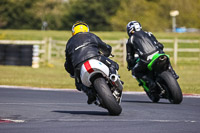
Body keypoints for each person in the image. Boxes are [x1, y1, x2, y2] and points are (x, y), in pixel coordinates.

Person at [64, 21, 119, 104]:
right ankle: (113, 79)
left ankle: (90, 93)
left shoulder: (69, 42)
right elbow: (105, 47)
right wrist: (107, 52)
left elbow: (68, 63)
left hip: (78, 65)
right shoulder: (91, 35)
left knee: (79, 85)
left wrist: (73, 72)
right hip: (96, 57)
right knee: (114, 65)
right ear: (87, 29)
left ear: (73, 31)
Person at [126, 21, 179, 90]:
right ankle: (173, 73)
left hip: (145, 59)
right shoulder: (149, 33)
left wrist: (130, 65)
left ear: (130, 30)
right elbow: (160, 45)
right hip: (158, 54)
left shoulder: (130, 40)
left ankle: (151, 83)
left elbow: (129, 56)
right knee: (165, 58)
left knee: (135, 72)